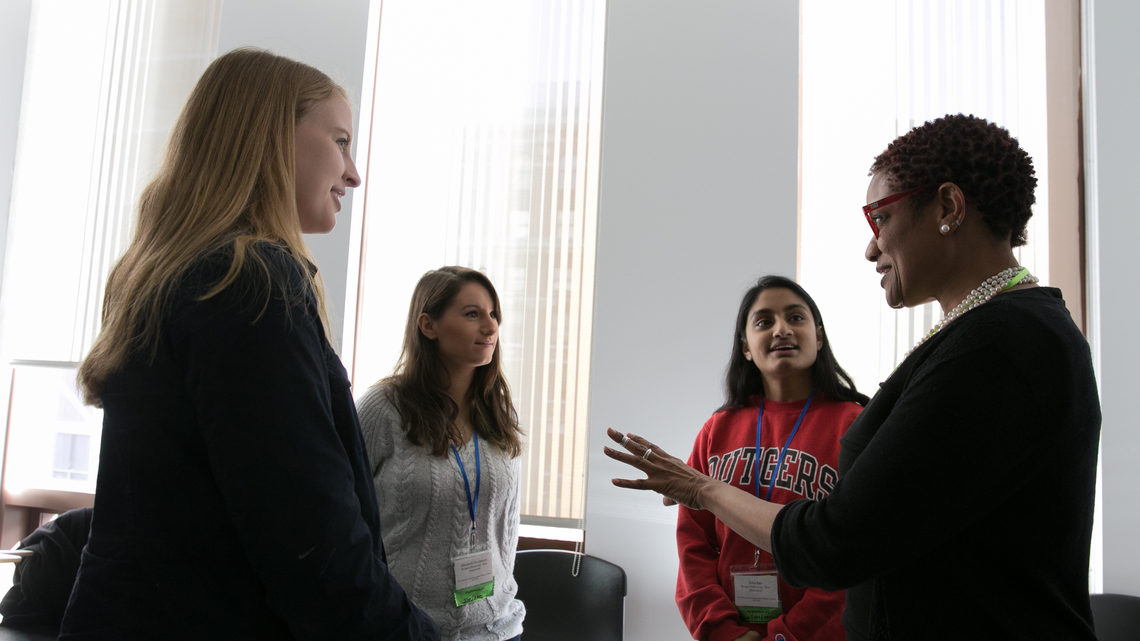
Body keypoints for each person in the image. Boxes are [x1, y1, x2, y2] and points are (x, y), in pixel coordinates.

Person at [605, 114, 1100, 640]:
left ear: (948, 207)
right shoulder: (997, 333)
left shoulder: (1002, 344)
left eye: (880, 218)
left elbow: (834, 543)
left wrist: (702, 489)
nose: (871, 247)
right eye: (762, 321)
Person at [62, 48, 439, 640]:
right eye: (340, 141)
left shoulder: (176, 273)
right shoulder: (250, 283)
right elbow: (311, 543)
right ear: (269, 137)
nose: (353, 173)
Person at [676, 275, 867, 641]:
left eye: (796, 318)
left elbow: (855, 552)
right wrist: (721, 630)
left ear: (819, 337)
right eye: (764, 322)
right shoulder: (717, 429)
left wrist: (788, 634)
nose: (782, 329)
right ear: (746, 347)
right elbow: (692, 542)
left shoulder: (855, 425)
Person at [356, 267, 526, 641]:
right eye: (472, 314)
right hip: (404, 628)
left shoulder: (499, 412)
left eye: (493, 314)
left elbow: (507, 526)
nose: (490, 327)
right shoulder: (383, 408)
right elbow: (343, 518)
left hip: (497, 629)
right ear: (428, 325)